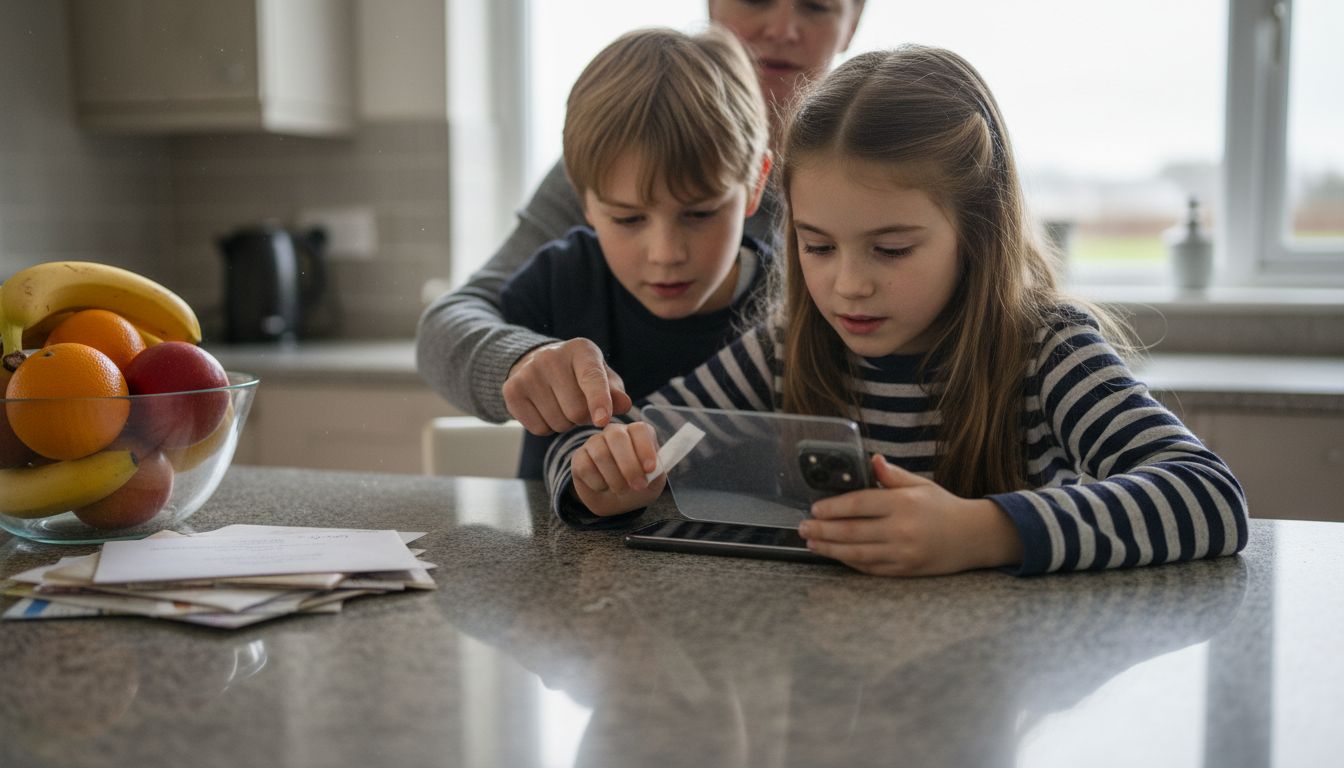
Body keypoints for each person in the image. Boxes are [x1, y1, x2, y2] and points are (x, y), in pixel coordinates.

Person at [543, 46, 1250, 576]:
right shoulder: (790, 346)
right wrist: (601, 479)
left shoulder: (1046, 353)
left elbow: (1209, 496)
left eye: (890, 249)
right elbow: (623, 441)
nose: (848, 285)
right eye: (817, 247)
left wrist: (982, 532)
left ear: (974, 231)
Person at [416, 1, 866, 435]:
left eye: (816, 6)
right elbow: (448, 326)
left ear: (853, 22)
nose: (783, 28)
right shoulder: (612, 152)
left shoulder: (867, 174)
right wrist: (523, 363)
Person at [498, 25, 774, 478]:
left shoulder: (794, 304)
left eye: (700, 213)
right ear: (581, 197)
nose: (666, 254)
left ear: (756, 183)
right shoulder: (554, 284)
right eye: (629, 219)